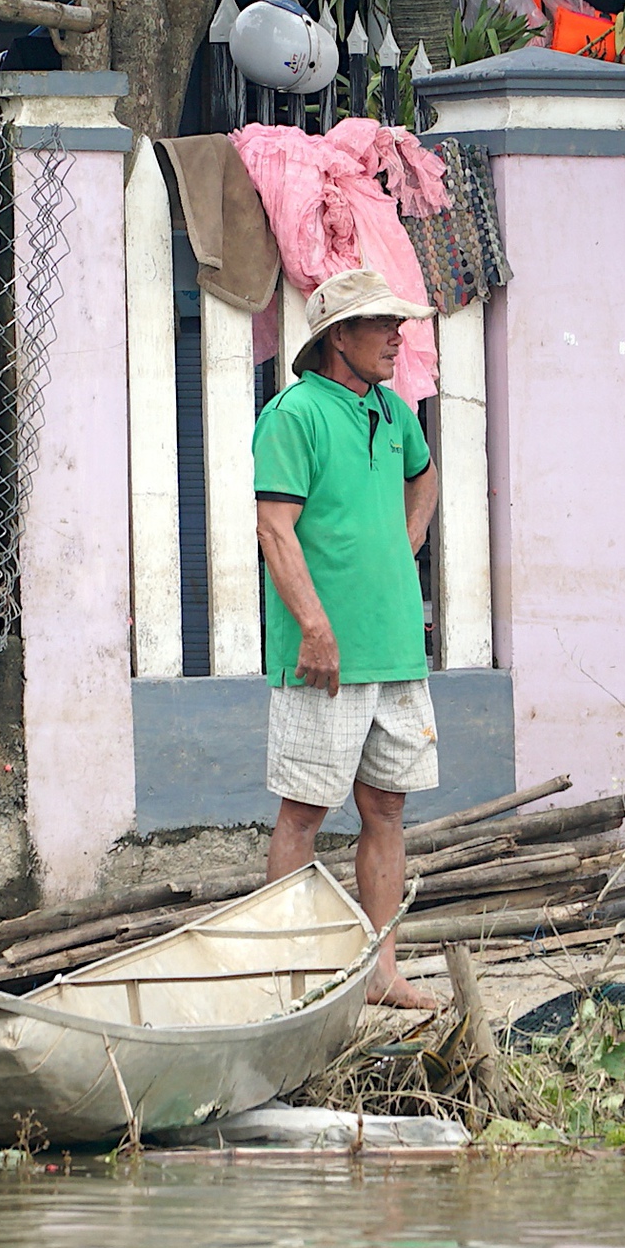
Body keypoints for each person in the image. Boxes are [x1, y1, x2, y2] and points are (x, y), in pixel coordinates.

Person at [253, 268, 443, 1008]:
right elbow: (275, 528)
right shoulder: (293, 415)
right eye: (382, 325)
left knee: (387, 811)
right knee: (303, 813)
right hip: (322, 656)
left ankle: (381, 971)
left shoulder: (395, 414)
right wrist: (315, 626)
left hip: (396, 645)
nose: (399, 336)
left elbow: (424, 479)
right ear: (338, 336)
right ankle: (287, 979)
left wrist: (409, 536)